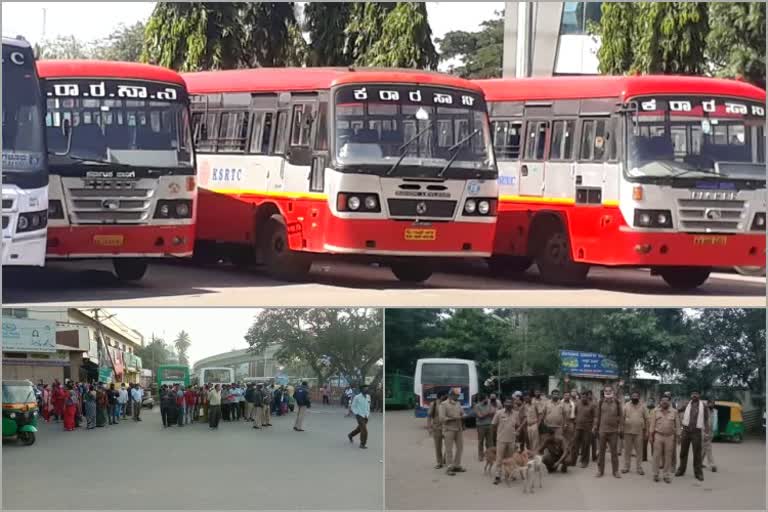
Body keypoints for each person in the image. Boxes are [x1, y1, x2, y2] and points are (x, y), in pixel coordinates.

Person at [676, 390, 709, 481]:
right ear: (691, 395)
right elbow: (677, 410)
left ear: (699, 395)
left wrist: (706, 432)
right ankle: (681, 470)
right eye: (693, 394)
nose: (694, 395)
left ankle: (698, 473)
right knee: (683, 452)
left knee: (697, 454)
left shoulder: (704, 406)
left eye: (696, 394)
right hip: (686, 431)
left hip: (696, 432)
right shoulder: (687, 404)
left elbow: (706, 420)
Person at [492, 398, 523, 485]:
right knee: (499, 459)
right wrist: (496, 436)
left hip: (512, 440)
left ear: (512, 404)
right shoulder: (499, 413)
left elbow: (517, 425)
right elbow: (493, 425)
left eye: (510, 402)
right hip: (501, 440)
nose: (508, 404)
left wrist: (517, 432)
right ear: (504, 403)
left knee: (510, 459)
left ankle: (509, 474)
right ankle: (497, 476)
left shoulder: (516, 414)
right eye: (506, 402)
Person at [594, 384, 622, 478]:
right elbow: (597, 416)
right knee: (601, 452)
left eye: (610, 390)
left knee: (614, 452)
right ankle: (600, 471)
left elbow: (621, 416)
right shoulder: (601, 402)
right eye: (606, 391)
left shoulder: (617, 402)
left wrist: (620, 428)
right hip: (602, 431)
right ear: (604, 392)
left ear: (612, 392)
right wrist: (595, 428)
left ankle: (616, 471)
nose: (608, 392)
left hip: (613, 431)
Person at [651, 395, 678, 483]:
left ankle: (666, 475)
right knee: (656, 456)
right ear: (660, 402)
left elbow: (677, 425)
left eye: (666, 401)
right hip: (658, 435)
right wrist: (651, 435)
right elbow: (652, 424)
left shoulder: (674, 412)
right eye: (663, 401)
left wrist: (678, 436)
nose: (664, 402)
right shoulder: (655, 411)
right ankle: (656, 474)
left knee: (668, 456)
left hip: (670, 437)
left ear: (669, 402)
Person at [622, 390, 649, 475]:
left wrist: (647, 431)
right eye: (633, 396)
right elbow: (622, 418)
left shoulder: (643, 406)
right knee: (627, 451)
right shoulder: (626, 405)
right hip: (627, 432)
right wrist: (621, 429)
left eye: (636, 396)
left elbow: (647, 419)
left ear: (639, 397)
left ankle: (639, 468)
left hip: (639, 432)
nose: (635, 397)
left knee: (639, 451)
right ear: (631, 397)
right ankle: (626, 467)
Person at [442, 388, 465, 476]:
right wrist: (454, 418)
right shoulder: (444, 404)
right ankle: (449, 468)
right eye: (456, 395)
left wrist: (464, 415)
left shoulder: (458, 404)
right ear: (451, 395)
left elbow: (462, 413)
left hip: (458, 429)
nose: (458, 397)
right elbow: (442, 418)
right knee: (449, 450)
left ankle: (457, 465)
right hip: (449, 429)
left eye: (458, 395)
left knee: (460, 448)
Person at [573, 392, 596, 467]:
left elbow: (595, 417)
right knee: (575, 444)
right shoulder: (578, 404)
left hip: (587, 428)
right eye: (582, 397)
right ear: (580, 397)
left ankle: (584, 461)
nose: (583, 399)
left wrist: (594, 426)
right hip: (578, 427)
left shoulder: (592, 405)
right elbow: (575, 413)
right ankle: (573, 460)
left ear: (587, 398)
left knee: (585, 445)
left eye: (585, 397)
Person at [427, 392, 447, 469]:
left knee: (448, 445)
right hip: (437, 428)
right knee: (438, 446)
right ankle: (439, 462)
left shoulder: (446, 403)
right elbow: (429, 416)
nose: (446, 397)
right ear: (441, 396)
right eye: (444, 396)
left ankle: (445, 459)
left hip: (446, 428)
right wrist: (429, 428)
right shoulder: (433, 404)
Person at [473, 394, 496, 461]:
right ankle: (480, 455)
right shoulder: (477, 406)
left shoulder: (489, 404)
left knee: (490, 441)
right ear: (483, 399)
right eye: (486, 398)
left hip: (489, 424)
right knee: (481, 441)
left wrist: (485, 414)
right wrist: (488, 413)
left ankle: (490, 455)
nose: (488, 400)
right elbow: (480, 416)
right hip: (480, 425)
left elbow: (493, 412)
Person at [348, 384, 371, 449]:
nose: (367, 390)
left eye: (367, 388)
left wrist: (368, 413)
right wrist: (356, 413)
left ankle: (350, 435)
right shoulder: (357, 397)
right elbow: (353, 406)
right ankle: (362, 444)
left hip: (366, 416)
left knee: (359, 429)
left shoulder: (368, 396)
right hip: (359, 415)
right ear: (361, 390)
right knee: (364, 430)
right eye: (365, 389)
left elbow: (368, 406)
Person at [702, 399, 718, 472]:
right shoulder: (704, 411)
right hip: (705, 431)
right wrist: (704, 432)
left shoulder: (715, 411)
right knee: (708, 448)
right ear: (708, 403)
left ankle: (699, 462)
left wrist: (714, 430)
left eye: (713, 403)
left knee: (704, 448)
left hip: (712, 432)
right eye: (710, 403)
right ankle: (712, 464)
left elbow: (715, 421)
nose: (712, 405)